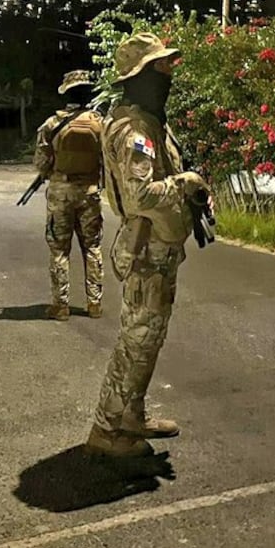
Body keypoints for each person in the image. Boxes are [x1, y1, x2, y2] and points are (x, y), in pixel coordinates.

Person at [86, 33, 209, 458]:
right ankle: (108, 430)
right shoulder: (137, 129)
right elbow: (142, 197)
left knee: (148, 339)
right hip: (147, 251)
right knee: (136, 341)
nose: (169, 75)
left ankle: (131, 416)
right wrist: (185, 182)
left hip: (158, 250)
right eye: (160, 68)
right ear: (139, 77)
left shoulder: (148, 122)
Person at [33, 69, 105, 320]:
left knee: (59, 250)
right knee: (93, 247)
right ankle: (94, 304)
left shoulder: (51, 125)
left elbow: (41, 163)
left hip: (61, 193)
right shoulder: (100, 122)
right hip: (90, 192)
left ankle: (60, 305)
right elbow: (107, 159)